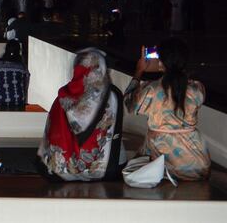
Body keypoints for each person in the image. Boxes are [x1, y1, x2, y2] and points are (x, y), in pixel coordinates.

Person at [124, 39, 210, 181]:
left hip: (165, 165)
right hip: (198, 166)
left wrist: (139, 71)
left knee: (132, 169)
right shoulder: (197, 89)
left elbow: (129, 103)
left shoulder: (150, 90)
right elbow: (178, 87)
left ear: (161, 63)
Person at [37, 48, 125, 181]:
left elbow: (52, 133)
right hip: (107, 170)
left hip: (60, 170)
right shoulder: (113, 95)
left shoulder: (62, 97)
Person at [0, 40, 30, 110]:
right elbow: (25, 88)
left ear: (6, 50)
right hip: (18, 104)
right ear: (19, 51)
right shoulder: (23, 67)